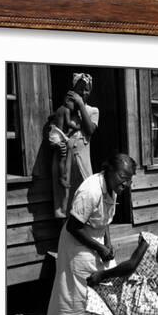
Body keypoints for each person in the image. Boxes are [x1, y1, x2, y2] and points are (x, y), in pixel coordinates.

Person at [47, 153, 136, 315]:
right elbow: (73, 226)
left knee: (110, 282)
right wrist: (99, 247)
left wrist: (108, 243)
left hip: (96, 239)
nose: (127, 183)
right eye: (124, 177)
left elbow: (104, 221)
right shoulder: (90, 191)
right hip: (77, 243)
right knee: (81, 293)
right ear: (110, 171)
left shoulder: (113, 187)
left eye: (130, 178)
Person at [52, 72, 99, 219]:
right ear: (72, 91)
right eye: (79, 89)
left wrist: (80, 105)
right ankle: (65, 227)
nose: (83, 93)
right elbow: (55, 132)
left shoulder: (92, 110)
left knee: (87, 191)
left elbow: (90, 129)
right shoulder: (65, 110)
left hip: (82, 158)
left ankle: (87, 225)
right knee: (64, 195)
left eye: (86, 90)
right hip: (65, 158)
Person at [46, 94, 81, 219]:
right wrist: (76, 127)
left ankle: (62, 177)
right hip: (58, 136)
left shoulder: (58, 110)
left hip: (56, 133)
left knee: (62, 158)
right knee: (62, 157)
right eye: (73, 104)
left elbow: (54, 120)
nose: (73, 108)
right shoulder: (66, 110)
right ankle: (62, 177)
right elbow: (68, 123)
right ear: (67, 101)